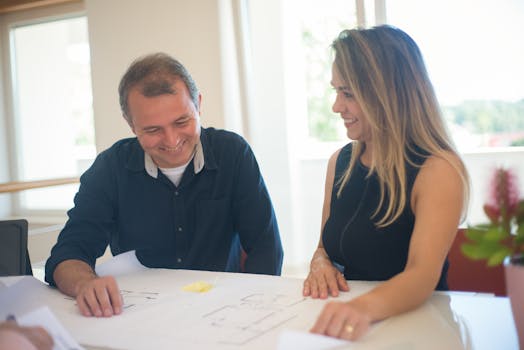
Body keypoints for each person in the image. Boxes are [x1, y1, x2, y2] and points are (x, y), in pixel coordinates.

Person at [45, 52, 283, 318]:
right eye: (152, 130)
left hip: (223, 311)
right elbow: (68, 252)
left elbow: (266, 248)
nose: (171, 141)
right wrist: (85, 284)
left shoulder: (233, 153)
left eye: (182, 122)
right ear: (131, 124)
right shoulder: (110, 168)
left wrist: (253, 310)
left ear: (199, 105)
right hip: (140, 315)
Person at [303, 25, 469, 341]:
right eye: (336, 91)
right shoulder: (339, 162)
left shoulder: (439, 170)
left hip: (421, 329)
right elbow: (325, 246)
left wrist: (360, 309)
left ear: (388, 93)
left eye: (348, 93)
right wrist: (320, 263)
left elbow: (421, 276)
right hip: (359, 328)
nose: (337, 107)